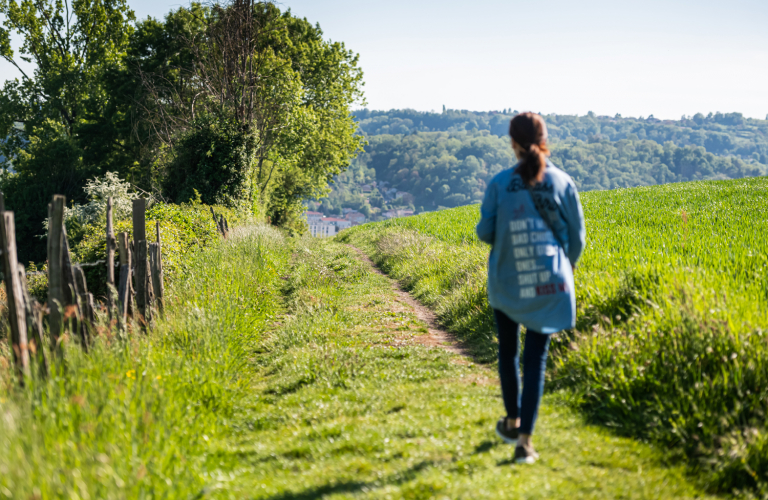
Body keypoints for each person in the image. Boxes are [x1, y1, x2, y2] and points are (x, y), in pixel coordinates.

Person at [476, 112, 586, 464]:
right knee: (535, 359)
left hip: (508, 280)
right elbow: (578, 239)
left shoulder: (499, 183)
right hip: (549, 285)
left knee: (508, 352)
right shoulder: (562, 181)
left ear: (512, 142)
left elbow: (485, 232)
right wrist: (564, 268)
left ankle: (511, 420)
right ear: (544, 138)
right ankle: (525, 442)